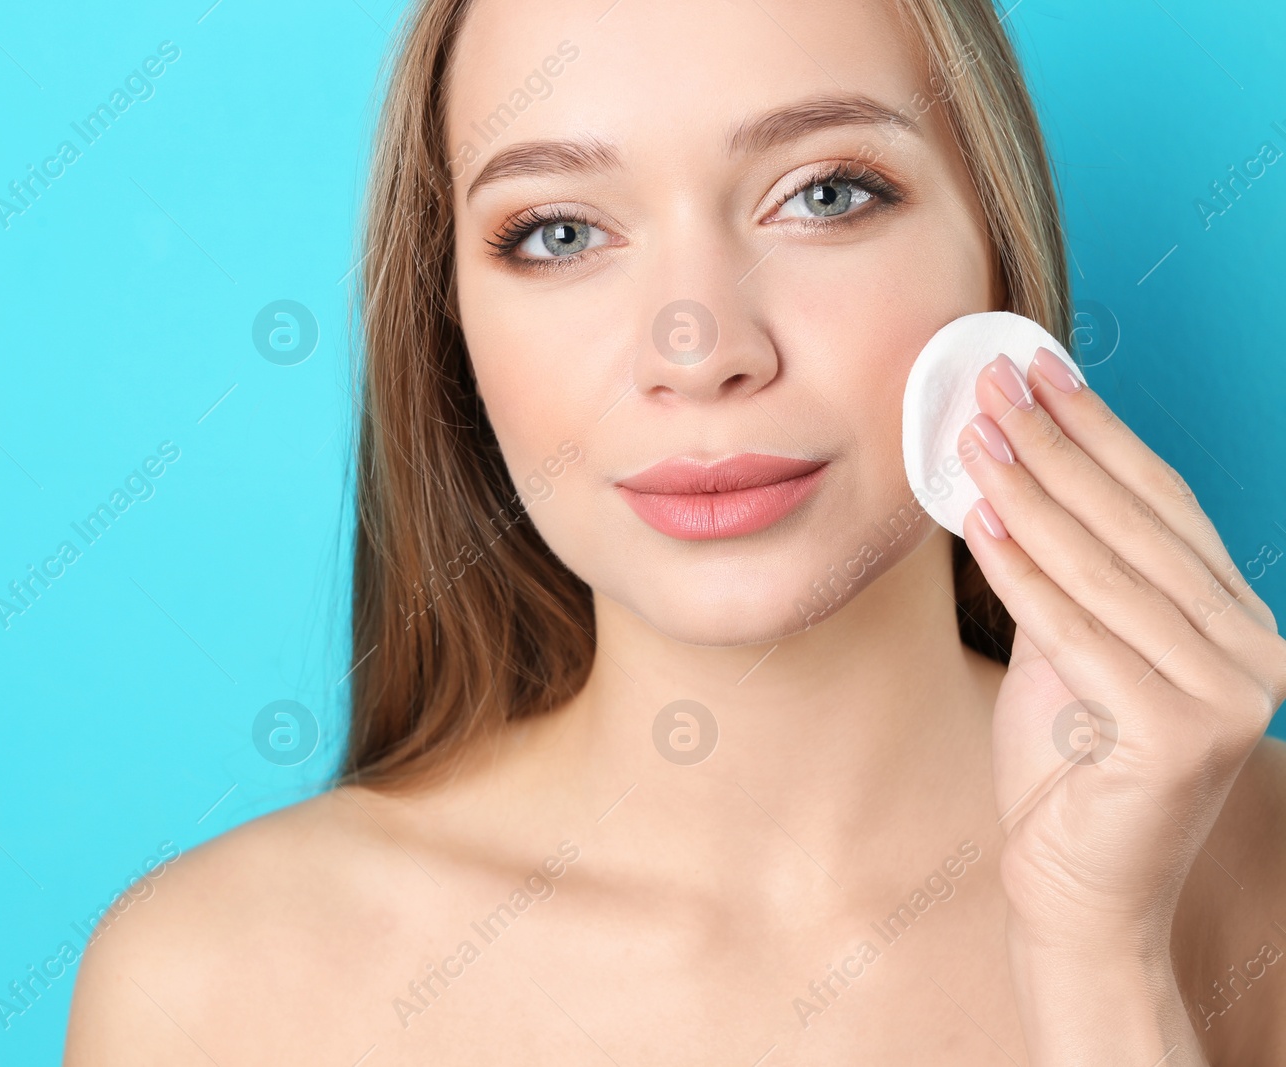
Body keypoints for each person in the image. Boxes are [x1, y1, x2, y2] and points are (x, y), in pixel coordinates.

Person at [64, 0, 1286, 1062]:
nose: (698, 350)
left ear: (995, 269)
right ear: (454, 340)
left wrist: (1099, 955)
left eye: (823, 194)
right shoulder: (208, 990)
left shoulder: (1261, 886)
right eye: (558, 231)